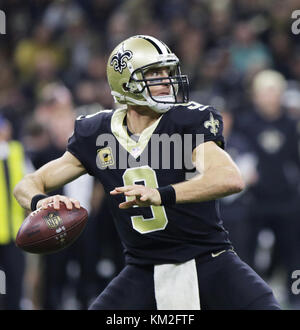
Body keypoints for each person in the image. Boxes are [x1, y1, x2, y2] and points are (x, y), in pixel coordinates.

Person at [14, 35, 280, 310]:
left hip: (209, 260)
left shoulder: (186, 121)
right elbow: (28, 183)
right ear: (125, 82)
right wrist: (39, 201)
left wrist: (160, 195)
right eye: (154, 73)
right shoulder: (97, 133)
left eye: (167, 71)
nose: (166, 80)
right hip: (142, 268)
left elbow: (229, 178)